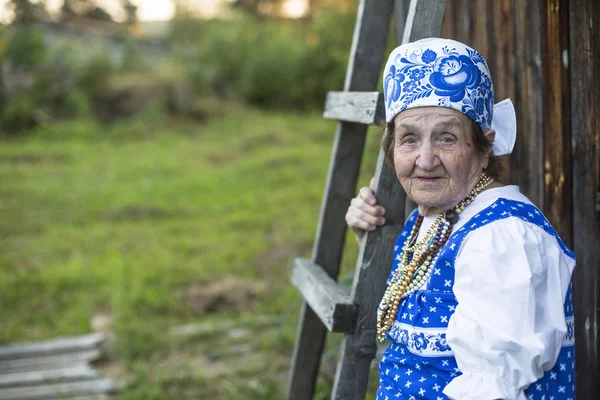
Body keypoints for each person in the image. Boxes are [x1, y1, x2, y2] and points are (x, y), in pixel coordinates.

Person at [345, 38, 575, 400]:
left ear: (484, 148)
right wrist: (368, 234)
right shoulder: (434, 218)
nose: (425, 159)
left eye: (447, 139)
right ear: (391, 150)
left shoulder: (502, 238)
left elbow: (493, 389)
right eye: (408, 140)